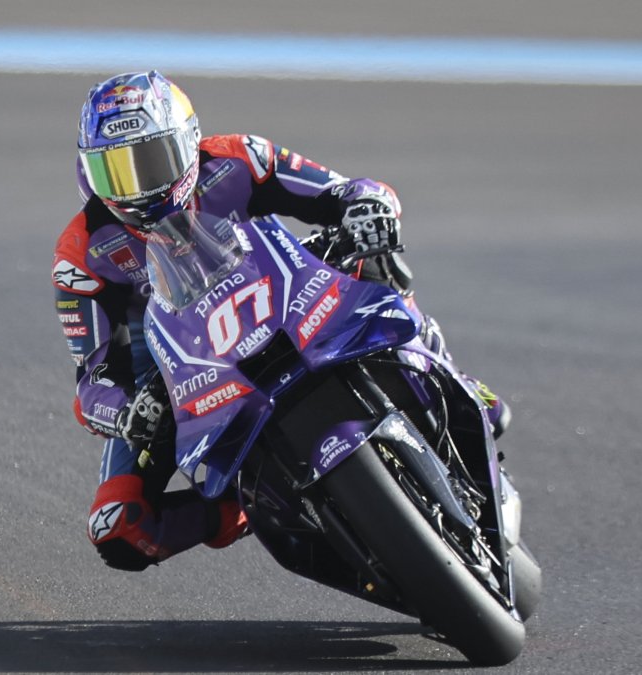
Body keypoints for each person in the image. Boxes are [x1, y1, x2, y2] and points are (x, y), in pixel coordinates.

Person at [52, 70, 508, 572]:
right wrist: (125, 412)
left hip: (286, 290)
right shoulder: (83, 254)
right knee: (118, 527)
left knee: (370, 257)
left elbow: (346, 192)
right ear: (87, 170)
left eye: (149, 160)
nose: (136, 186)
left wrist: (368, 208)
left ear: (185, 142)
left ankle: (445, 372)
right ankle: (252, 503)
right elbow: (93, 380)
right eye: (115, 171)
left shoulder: (237, 158)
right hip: (177, 372)